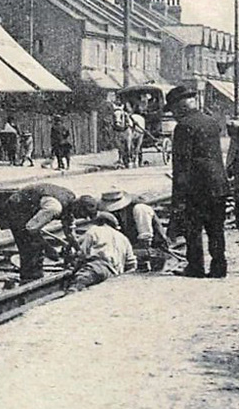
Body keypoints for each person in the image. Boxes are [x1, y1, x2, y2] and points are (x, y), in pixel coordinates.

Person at [168, 85, 229, 278]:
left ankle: (195, 267)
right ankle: (219, 267)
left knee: (192, 228)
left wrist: (178, 198)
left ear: (180, 107)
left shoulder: (183, 127)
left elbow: (181, 166)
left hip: (197, 187)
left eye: (173, 110)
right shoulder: (211, 122)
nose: (174, 115)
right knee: (216, 228)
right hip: (218, 184)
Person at [0, 182, 79, 282]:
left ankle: (34, 275)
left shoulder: (71, 201)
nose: (82, 218)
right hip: (17, 208)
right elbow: (32, 229)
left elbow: (69, 231)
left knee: (36, 244)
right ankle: (29, 279)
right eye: (82, 215)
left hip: (31, 207)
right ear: (77, 208)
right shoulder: (54, 207)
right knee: (31, 246)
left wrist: (78, 250)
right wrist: (48, 248)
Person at [65, 196, 137, 293]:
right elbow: (131, 264)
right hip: (114, 272)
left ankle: (73, 290)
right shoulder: (124, 238)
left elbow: (82, 254)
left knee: (81, 280)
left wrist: (73, 266)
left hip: (97, 266)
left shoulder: (93, 231)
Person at [98, 189, 170, 271]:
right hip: (133, 249)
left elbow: (146, 242)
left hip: (153, 250)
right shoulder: (117, 214)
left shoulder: (140, 209)